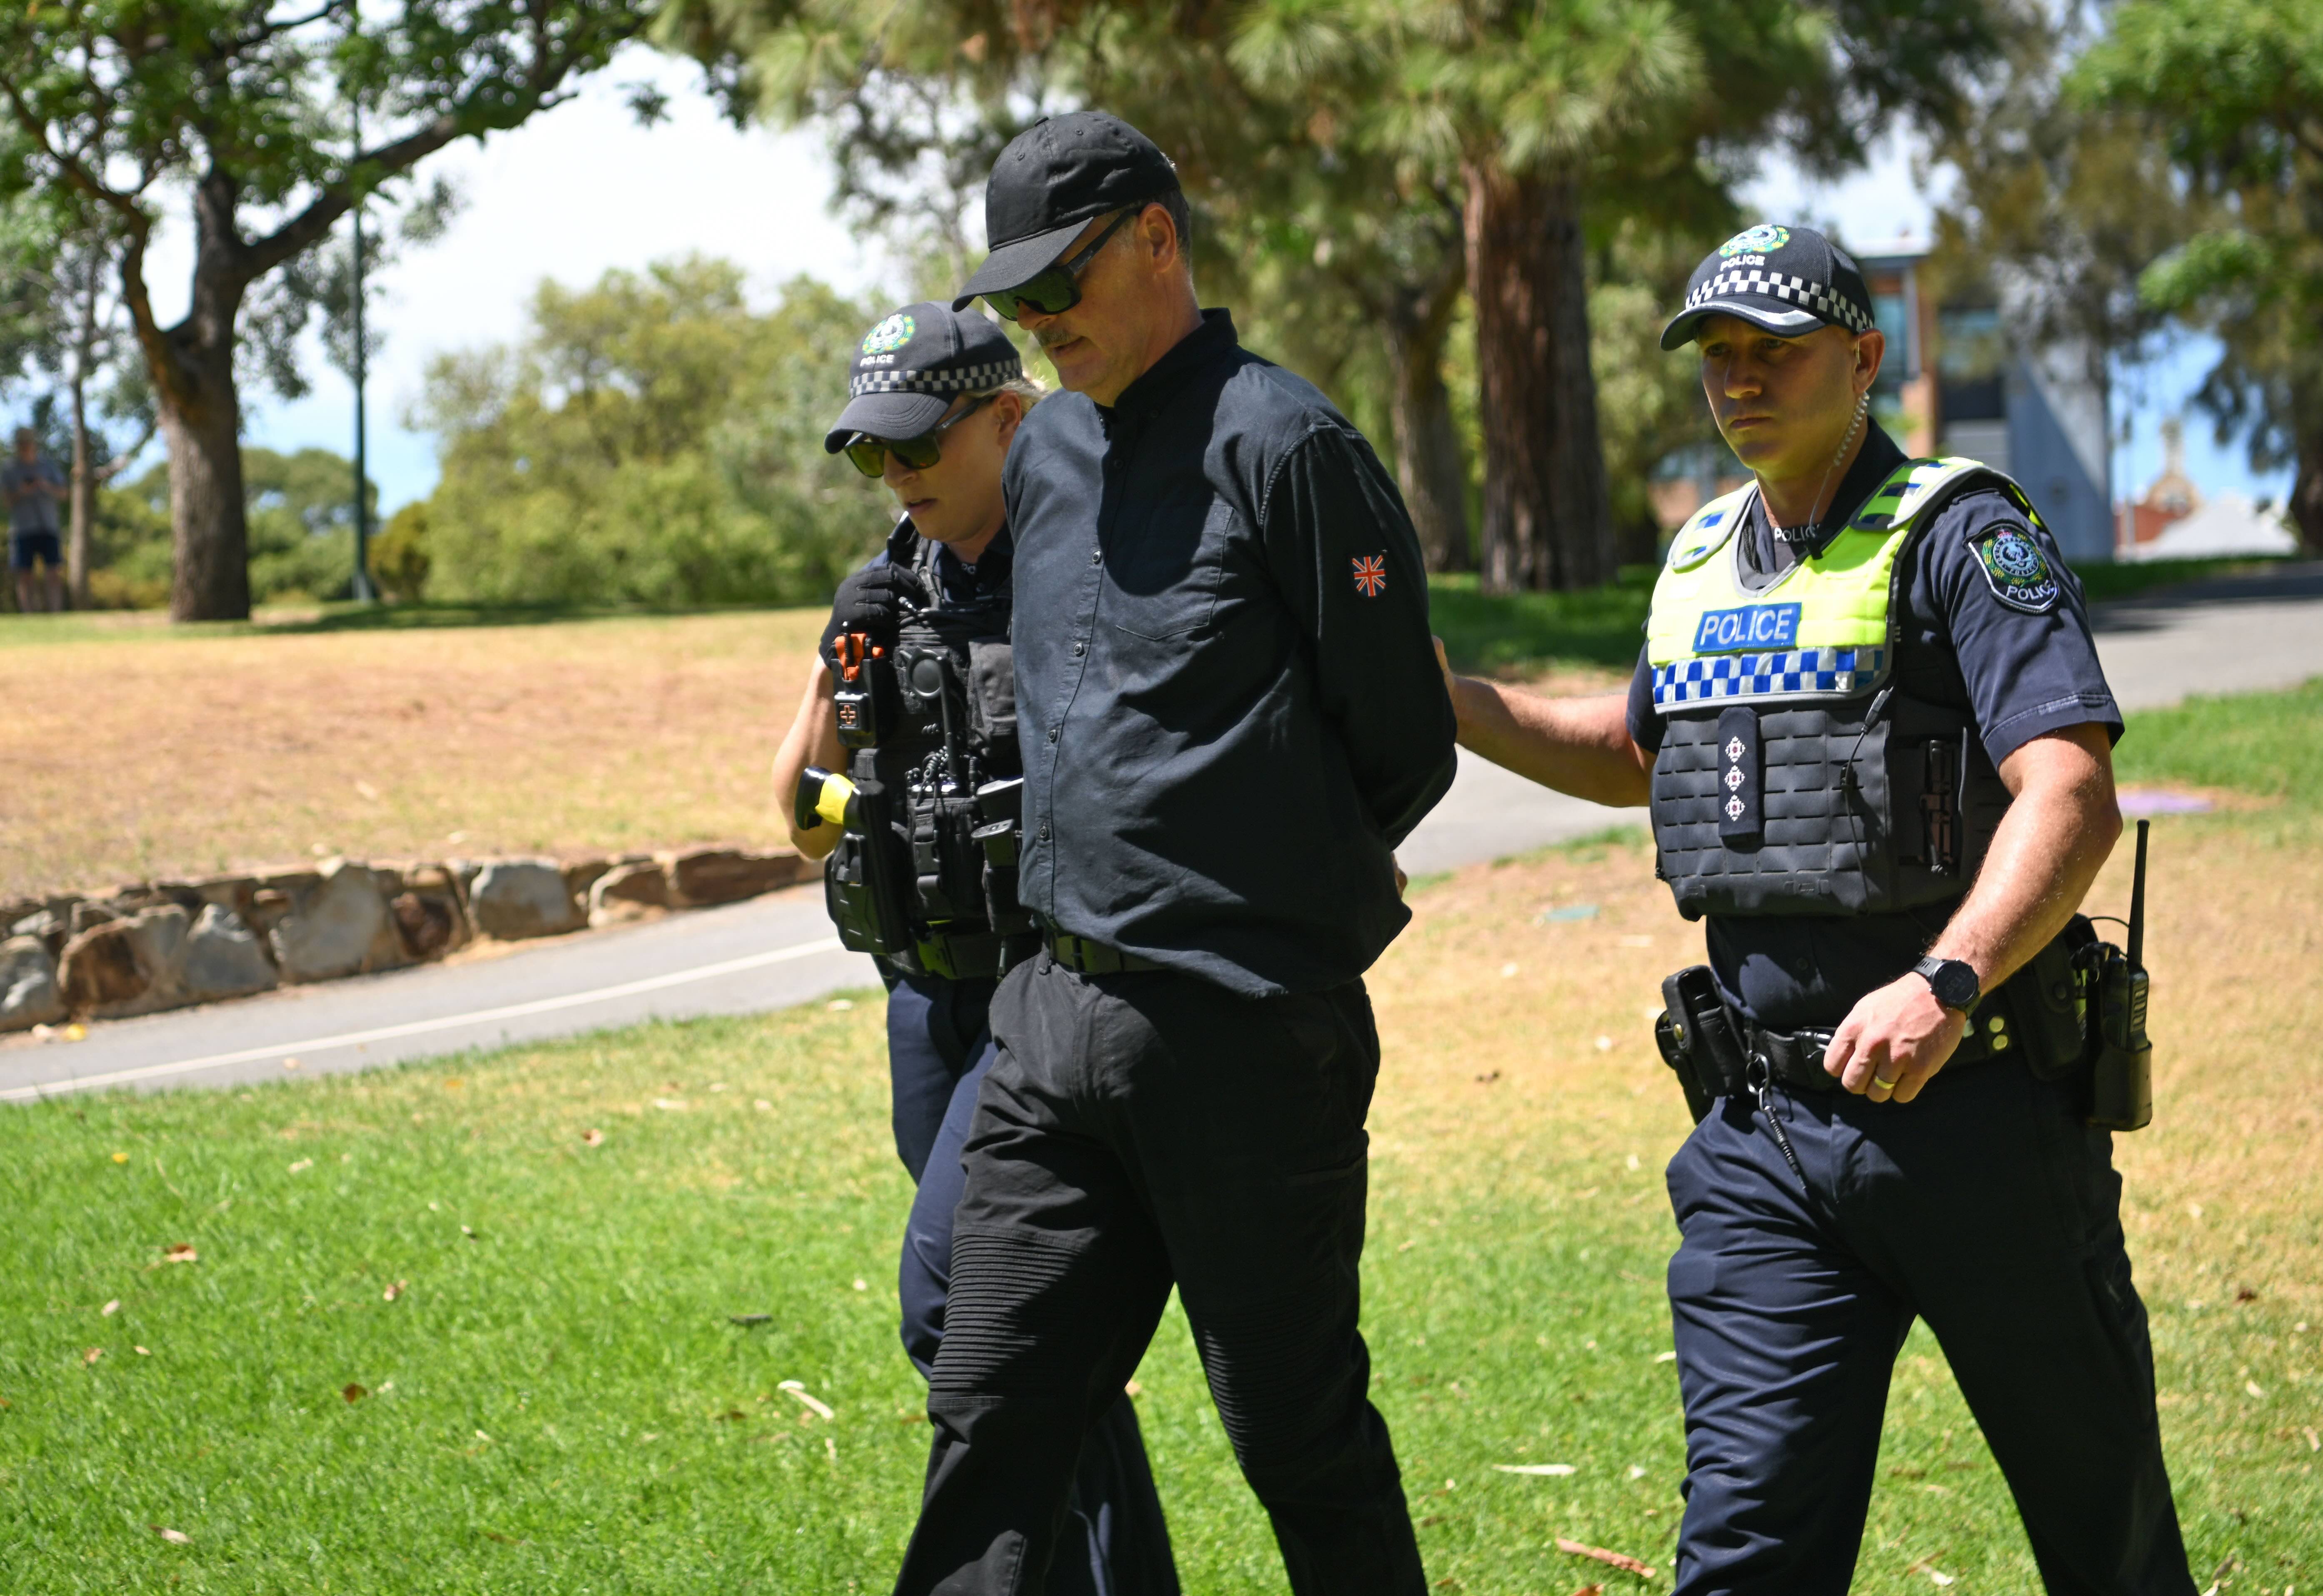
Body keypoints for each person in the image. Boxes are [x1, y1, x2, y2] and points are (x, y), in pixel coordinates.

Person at [1442, 224, 2194, 1595]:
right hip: (1764, 1143)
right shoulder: (1695, 561)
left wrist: (1945, 981)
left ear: (1860, 357)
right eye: (1715, 357)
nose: (1737, 381)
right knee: (1742, 1554)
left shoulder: (1962, 533)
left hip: (1981, 1116)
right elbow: (1629, 754)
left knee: (2104, 1531)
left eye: (1771, 352)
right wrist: (1447, 701)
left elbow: (2067, 791)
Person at [891, 111, 1457, 1596]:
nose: (1039, 325)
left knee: (1297, 1440)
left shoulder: (1291, 447)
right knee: (989, 1410)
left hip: (1243, 1033)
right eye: (1014, 302)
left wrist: (1236, 903)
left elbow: (1401, 739)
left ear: (1157, 236)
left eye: (1060, 284)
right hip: (1050, 1021)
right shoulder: (1050, 453)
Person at [770, 301, 1179, 1596]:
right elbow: (793, 814)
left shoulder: (1095, 569)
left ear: (1009, 418)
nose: (896, 476)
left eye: (917, 446)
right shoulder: (889, 591)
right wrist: (852, 702)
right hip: (924, 1007)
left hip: (1041, 1000)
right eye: (869, 457)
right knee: (1028, 1341)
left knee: (958, 1315)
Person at [5, 427, 68, 613]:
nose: (25, 447)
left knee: (54, 571)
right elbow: (6, 501)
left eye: (28, 443)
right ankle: (29, 616)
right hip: (23, 528)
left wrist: (45, 486)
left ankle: (56, 614)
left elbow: (64, 493)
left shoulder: (47, 466)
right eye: (21, 444)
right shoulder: (9, 469)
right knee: (24, 574)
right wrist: (22, 492)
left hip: (49, 525)